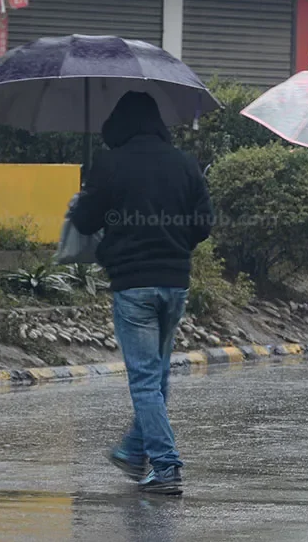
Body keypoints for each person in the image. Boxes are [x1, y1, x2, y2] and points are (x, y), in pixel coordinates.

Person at [70, 91, 213, 495]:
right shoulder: (185, 164)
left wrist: (86, 199)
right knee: (158, 374)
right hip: (174, 283)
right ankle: (134, 452)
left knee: (146, 380)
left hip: (133, 285)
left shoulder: (111, 164)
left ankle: (166, 467)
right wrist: (173, 239)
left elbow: (84, 222)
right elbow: (204, 224)